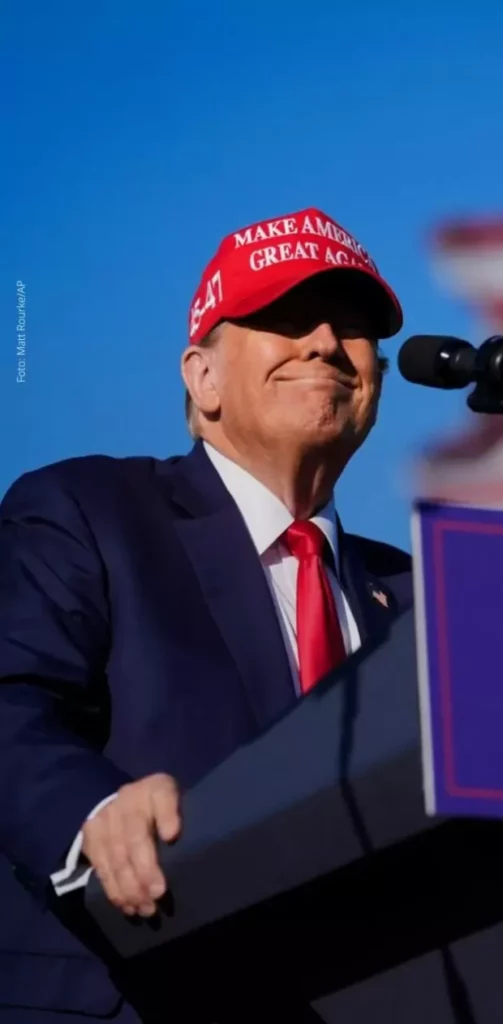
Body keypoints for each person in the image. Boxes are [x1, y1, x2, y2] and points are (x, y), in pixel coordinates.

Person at [0, 207, 412, 1022]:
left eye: (353, 327)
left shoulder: (417, 595)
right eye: (288, 318)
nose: (326, 343)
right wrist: (94, 815)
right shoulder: (87, 512)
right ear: (203, 377)